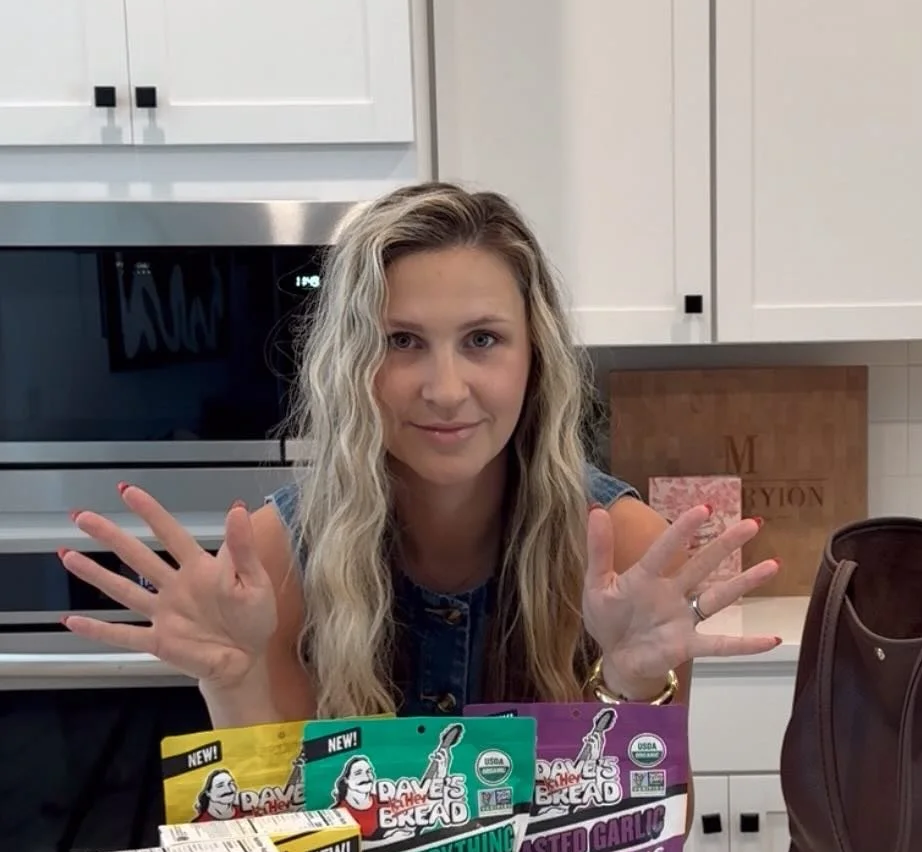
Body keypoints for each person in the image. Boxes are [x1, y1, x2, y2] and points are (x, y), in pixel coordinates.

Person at [60, 184, 781, 723]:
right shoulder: (280, 559)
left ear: (537, 359)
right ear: (351, 362)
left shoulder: (622, 547)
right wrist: (233, 679)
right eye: (401, 342)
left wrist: (631, 687)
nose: (443, 390)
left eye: (481, 340)